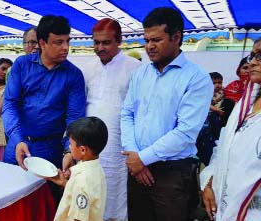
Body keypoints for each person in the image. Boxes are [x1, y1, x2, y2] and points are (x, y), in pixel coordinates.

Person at [120, 7, 213, 221]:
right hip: (136, 166)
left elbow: (185, 132)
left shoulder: (196, 79)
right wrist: (135, 155)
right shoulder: (140, 73)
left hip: (172, 174)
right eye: (146, 40)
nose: (149, 46)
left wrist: (143, 158)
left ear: (176, 37)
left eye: (156, 40)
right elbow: (126, 114)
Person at [3, 15, 86, 202]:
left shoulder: (73, 75)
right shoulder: (22, 65)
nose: (65, 47)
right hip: (18, 144)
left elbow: (74, 118)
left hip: (51, 149)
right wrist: (16, 139)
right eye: (58, 42)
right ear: (42, 43)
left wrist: (68, 151)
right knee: (8, 198)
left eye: (67, 41)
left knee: (44, 203)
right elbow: (10, 104)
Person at [81, 18, 140, 221]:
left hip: (118, 144)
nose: (99, 48)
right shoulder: (88, 68)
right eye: (96, 42)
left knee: (115, 189)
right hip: (89, 143)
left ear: (119, 41)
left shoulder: (135, 68)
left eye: (105, 42)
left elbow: (138, 110)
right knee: (89, 186)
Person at [200, 38, 261, 221]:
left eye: (260, 55)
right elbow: (223, 146)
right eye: (252, 55)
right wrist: (209, 182)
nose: (252, 62)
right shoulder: (245, 106)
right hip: (226, 206)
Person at [49, 116, 107, 221]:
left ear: (83, 150)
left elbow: (79, 218)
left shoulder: (82, 182)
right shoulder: (97, 169)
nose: (69, 148)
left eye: (71, 144)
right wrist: (65, 183)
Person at [196, 72, 225, 166]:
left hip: (213, 125)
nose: (217, 85)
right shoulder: (203, 93)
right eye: (214, 83)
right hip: (203, 124)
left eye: (219, 82)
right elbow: (203, 103)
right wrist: (216, 108)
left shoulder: (222, 94)